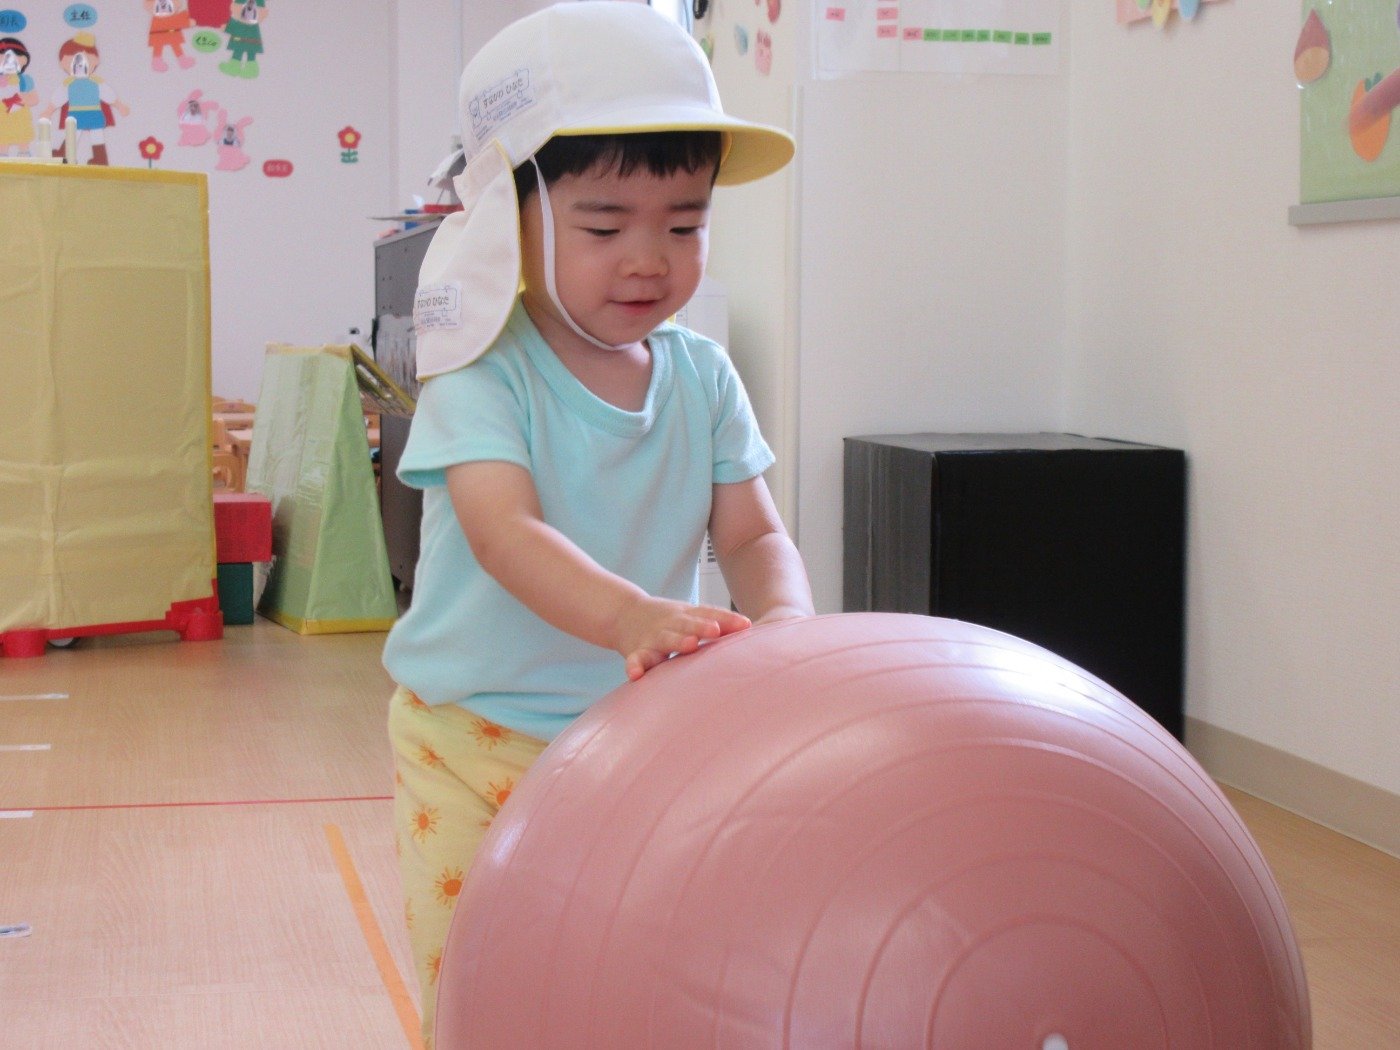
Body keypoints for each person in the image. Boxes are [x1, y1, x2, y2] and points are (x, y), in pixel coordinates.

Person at [379, 3, 812, 1045]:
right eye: (605, 227)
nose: (649, 260)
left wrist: (788, 632)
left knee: (636, 984)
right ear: (511, 220)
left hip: (643, 748)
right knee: (483, 988)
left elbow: (751, 537)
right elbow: (503, 532)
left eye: (684, 225)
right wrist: (627, 617)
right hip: (472, 741)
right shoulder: (484, 373)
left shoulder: (703, 376)